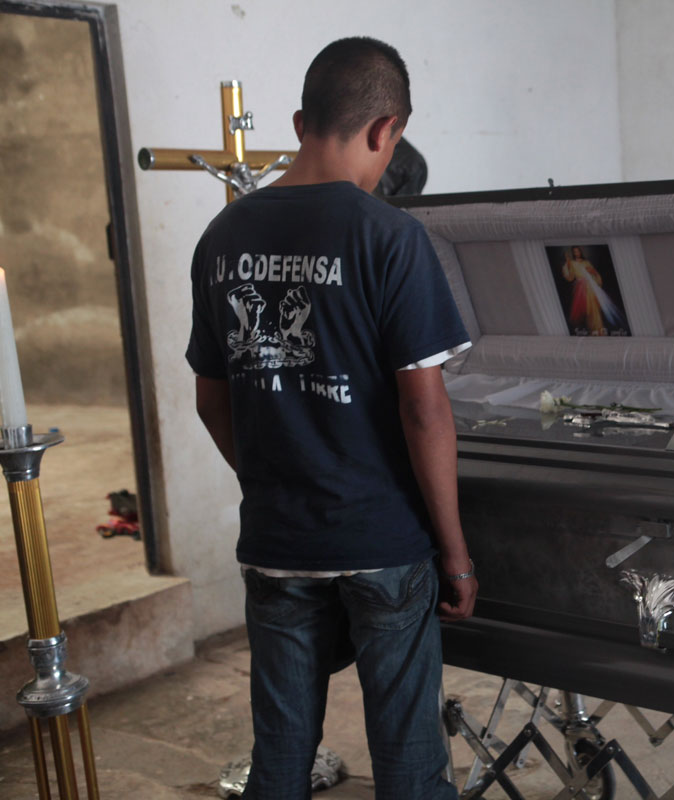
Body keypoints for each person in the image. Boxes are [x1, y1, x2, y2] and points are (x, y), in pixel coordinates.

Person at [186, 37, 474, 799]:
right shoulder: (390, 237)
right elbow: (424, 410)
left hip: (276, 539)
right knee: (409, 762)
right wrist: (455, 554)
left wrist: (278, 476)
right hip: (381, 540)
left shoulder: (222, 237)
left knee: (280, 756)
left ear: (299, 122)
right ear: (386, 130)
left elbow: (211, 400)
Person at [560, 245, 624, 335]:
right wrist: (567, 264)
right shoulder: (572, 263)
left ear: (580, 252)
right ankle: (592, 330)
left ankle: (599, 328)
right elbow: (570, 277)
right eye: (575, 252)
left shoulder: (586, 262)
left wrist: (593, 273)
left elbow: (594, 274)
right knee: (587, 310)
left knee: (594, 307)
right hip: (580, 288)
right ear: (573, 253)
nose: (577, 253)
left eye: (578, 251)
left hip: (591, 286)